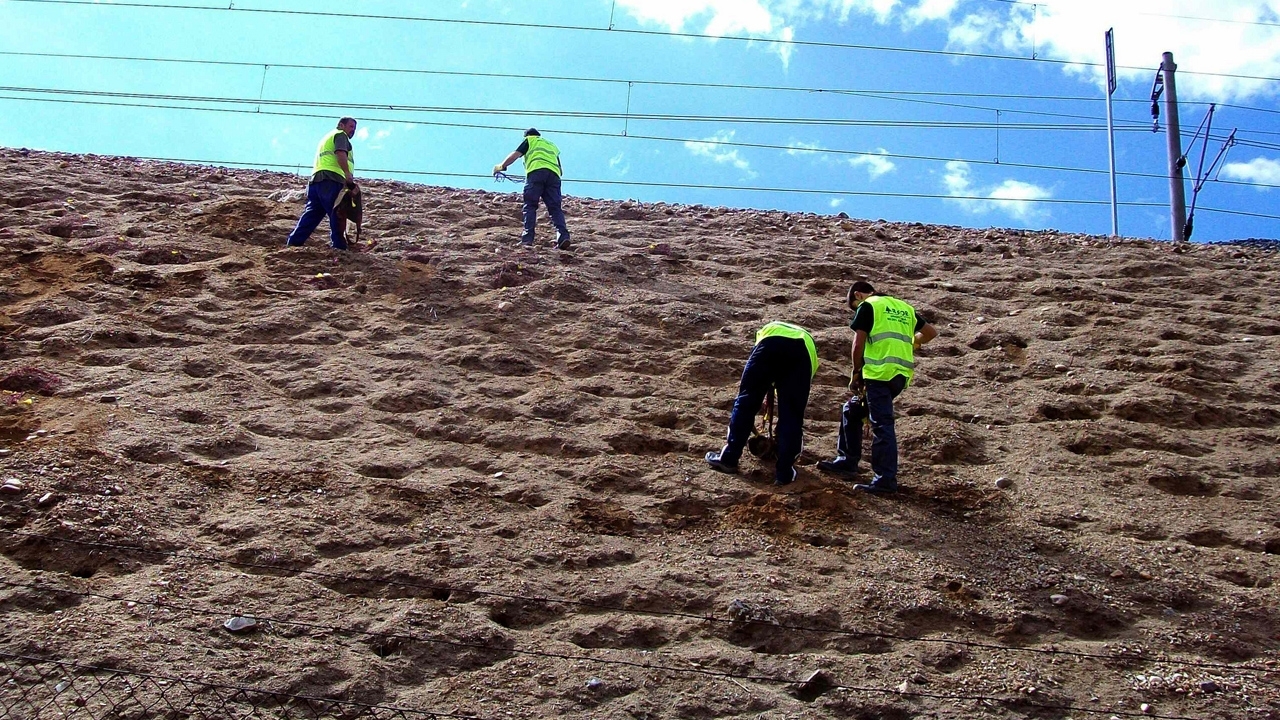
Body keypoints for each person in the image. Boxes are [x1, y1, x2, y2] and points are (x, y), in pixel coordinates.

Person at [817, 281, 937, 494]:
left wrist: (856, 372)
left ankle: (885, 480)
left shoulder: (868, 305)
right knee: (853, 411)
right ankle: (847, 461)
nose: (856, 310)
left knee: (881, 424)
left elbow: (858, 342)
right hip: (900, 374)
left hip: (878, 373)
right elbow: (930, 332)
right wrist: (913, 343)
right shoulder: (904, 308)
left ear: (858, 295)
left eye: (854, 306)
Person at [705, 321, 819, 486]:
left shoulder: (767, 330)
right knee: (792, 415)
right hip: (801, 354)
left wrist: (765, 389)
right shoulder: (811, 353)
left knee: (746, 402)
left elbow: (759, 372)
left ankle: (729, 458)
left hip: (768, 346)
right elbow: (795, 394)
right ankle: (784, 472)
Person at [287, 117, 359, 250]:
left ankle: (294, 242)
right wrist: (347, 174)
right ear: (341, 125)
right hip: (331, 180)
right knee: (338, 212)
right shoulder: (340, 135)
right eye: (351, 126)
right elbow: (340, 153)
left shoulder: (327, 137)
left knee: (312, 215)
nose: (353, 130)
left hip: (316, 182)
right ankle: (340, 247)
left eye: (354, 128)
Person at [493, 128, 571, 250]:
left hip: (536, 173)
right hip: (554, 176)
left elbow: (515, 155)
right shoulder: (552, 145)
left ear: (527, 136)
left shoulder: (529, 140)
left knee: (530, 205)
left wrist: (501, 166)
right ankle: (563, 237)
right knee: (555, 208)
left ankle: (527, 239)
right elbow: (560, 169)